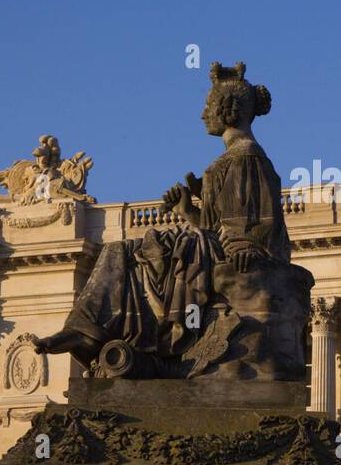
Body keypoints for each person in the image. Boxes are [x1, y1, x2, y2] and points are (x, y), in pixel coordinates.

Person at [33, 62, 291, 374]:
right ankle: (88, 331)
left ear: (228, 110)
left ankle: (96, 332)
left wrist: (245, 246)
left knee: (135, 254)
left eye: (208, 105)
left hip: (235, 254)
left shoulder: (245, 157)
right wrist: (187, 210)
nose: (202, 114)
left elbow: (252, 223)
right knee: (126, 252)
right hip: (212, 250)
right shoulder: (231, 160)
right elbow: (214, 227)